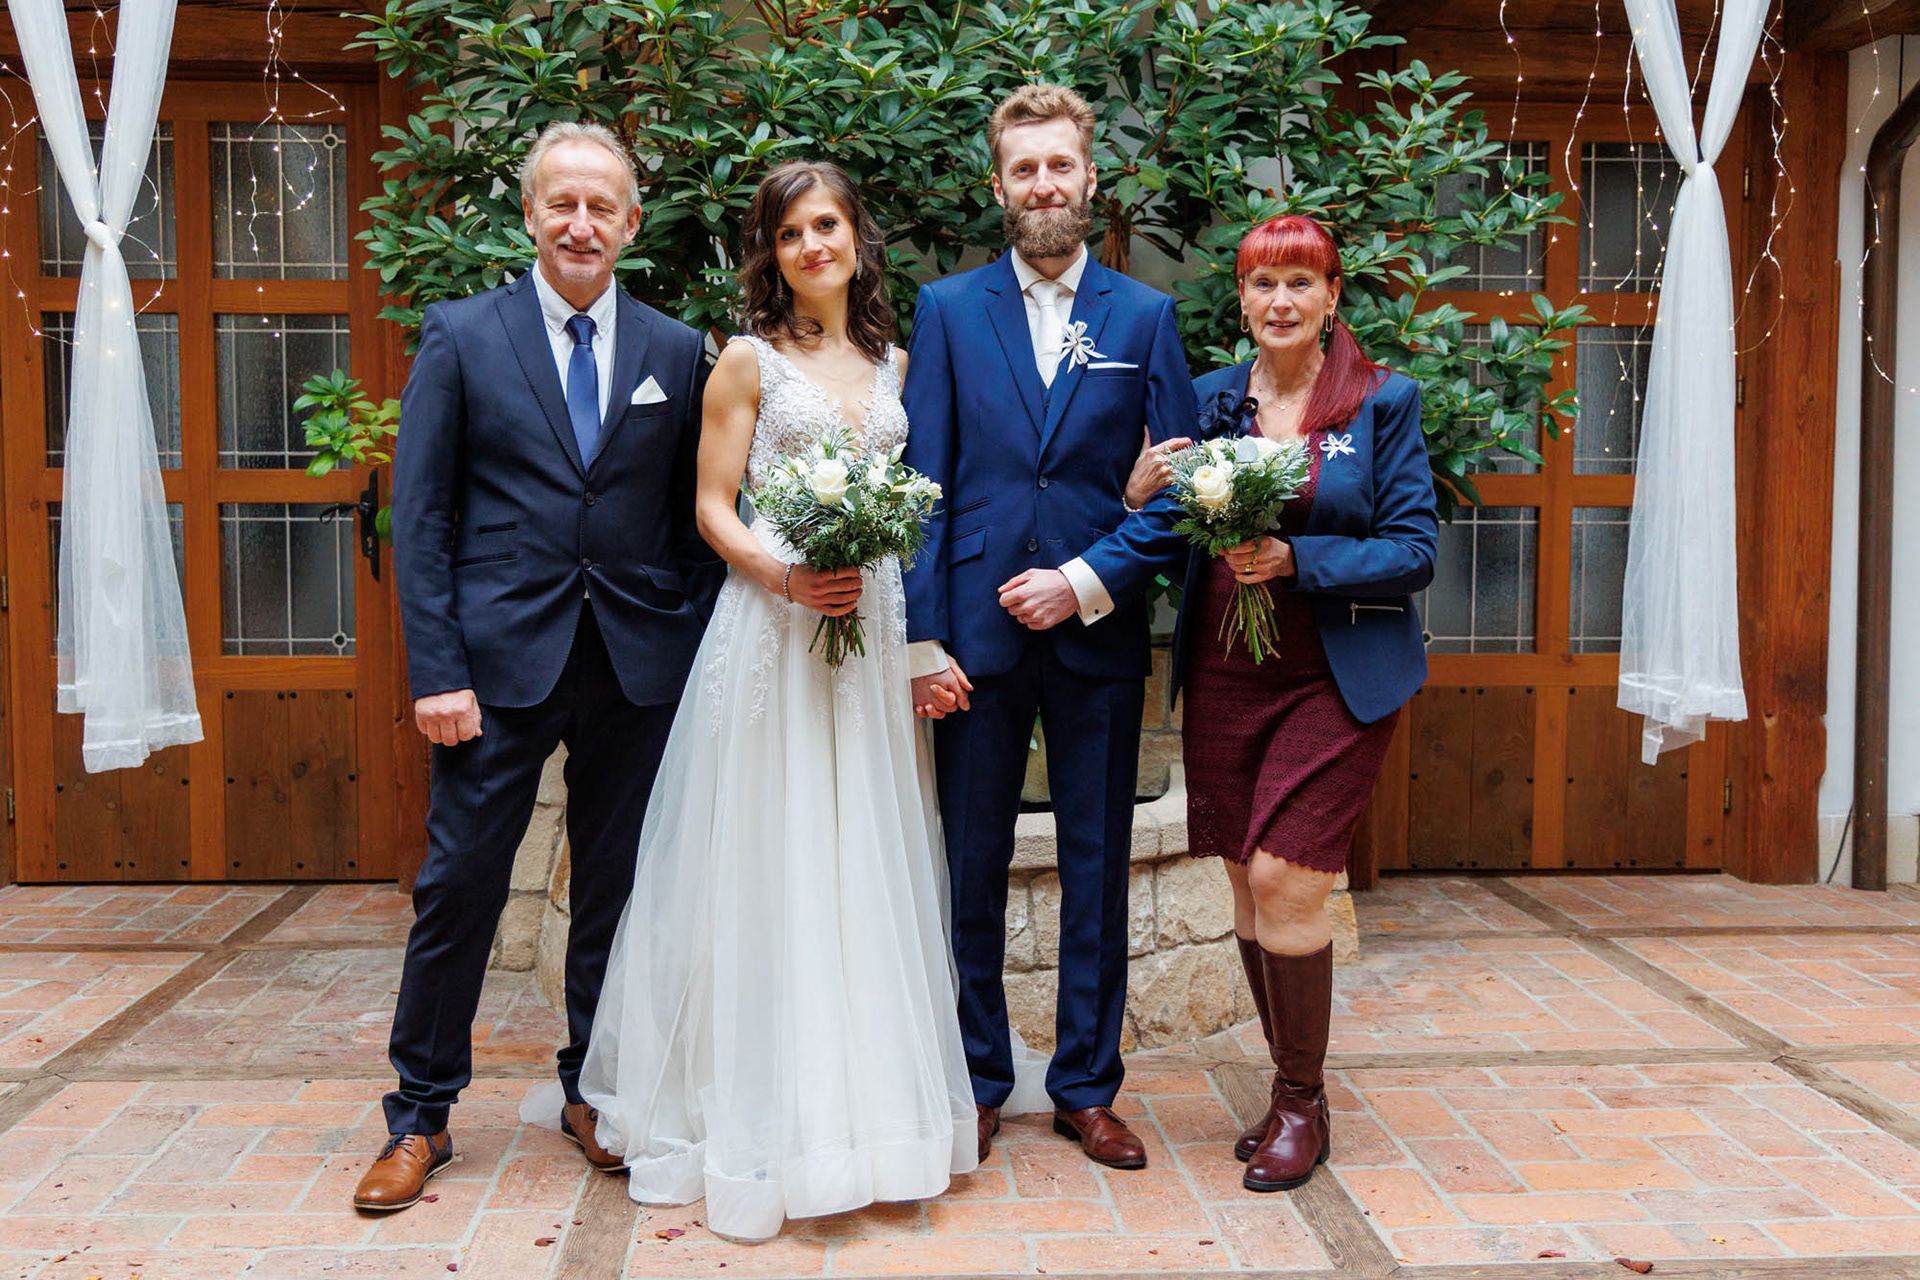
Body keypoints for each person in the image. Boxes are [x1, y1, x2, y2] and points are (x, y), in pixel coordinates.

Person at [578, 160, 977, 1242]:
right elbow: (713, 506)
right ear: (773, 251)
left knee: (863, 850)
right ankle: (758, 1114)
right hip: (774, 625)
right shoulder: (746, 361)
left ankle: (868, 1119)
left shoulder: (898, 363)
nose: (813, 246)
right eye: (792, 232)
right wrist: (787, 578)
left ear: (857, 236)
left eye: (828, 224)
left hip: (871, 624)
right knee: (772, 850)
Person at [354, 121, 720, 1212]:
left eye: (602, 206)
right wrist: (436, 671)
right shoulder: (462, 335)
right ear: (529, 214)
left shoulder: (675, 350)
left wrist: (686, 635)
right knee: (458, 885)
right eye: (562, 203)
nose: (581, 223)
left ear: (632, 223)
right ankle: (420, 1113)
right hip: (495, 668)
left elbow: (697, 519)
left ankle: (592, 1090)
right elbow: (421, 518)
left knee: (617, 889)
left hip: (636, 668)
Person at [903, 84, 1198, 1171]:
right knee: (970, 864)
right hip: (973, 643)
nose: (1042, 185)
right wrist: (922, 643)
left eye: (1058, 166)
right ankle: (979, 1080)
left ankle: (1086, 1085)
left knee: (1096, 867)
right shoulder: (946, 311)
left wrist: (1084, 578)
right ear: (999, 185)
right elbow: (923, 490)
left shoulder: (1143, 318)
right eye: (1023, 169)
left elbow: (1180, 491)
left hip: (1096, 636)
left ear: (1088, 178)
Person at [1131, 214, 1435, 1192]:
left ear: (1333, 295)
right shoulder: (1210, 399)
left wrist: (1298, 558)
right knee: (1243, 881)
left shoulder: (1383, 402)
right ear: (1242, 299)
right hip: (1227, 666)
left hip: (1335, 676)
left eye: (1301, 282)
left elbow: (1414, 549)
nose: (1281, 301)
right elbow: (1164, 523)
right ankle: (1287, 1088)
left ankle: (1304, 1103)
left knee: (1286, 879)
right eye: (1263, 283)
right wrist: (1135, 493)